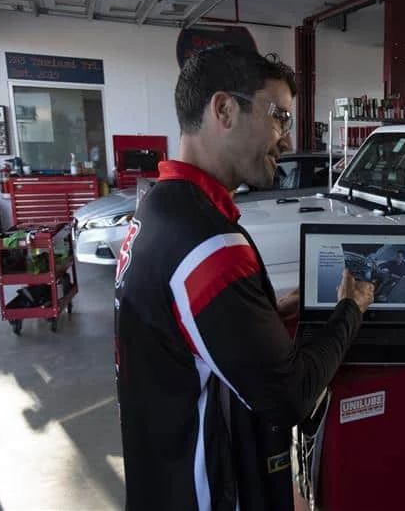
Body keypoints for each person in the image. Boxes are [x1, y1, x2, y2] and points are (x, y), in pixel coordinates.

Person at [113, 45, 374, 511]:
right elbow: (290, 396)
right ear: (224, 109)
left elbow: (173, 336)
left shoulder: (157, 210)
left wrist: (259, 316)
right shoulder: (209, 243)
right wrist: (349, 311)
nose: (287, 141)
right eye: (279, 117)